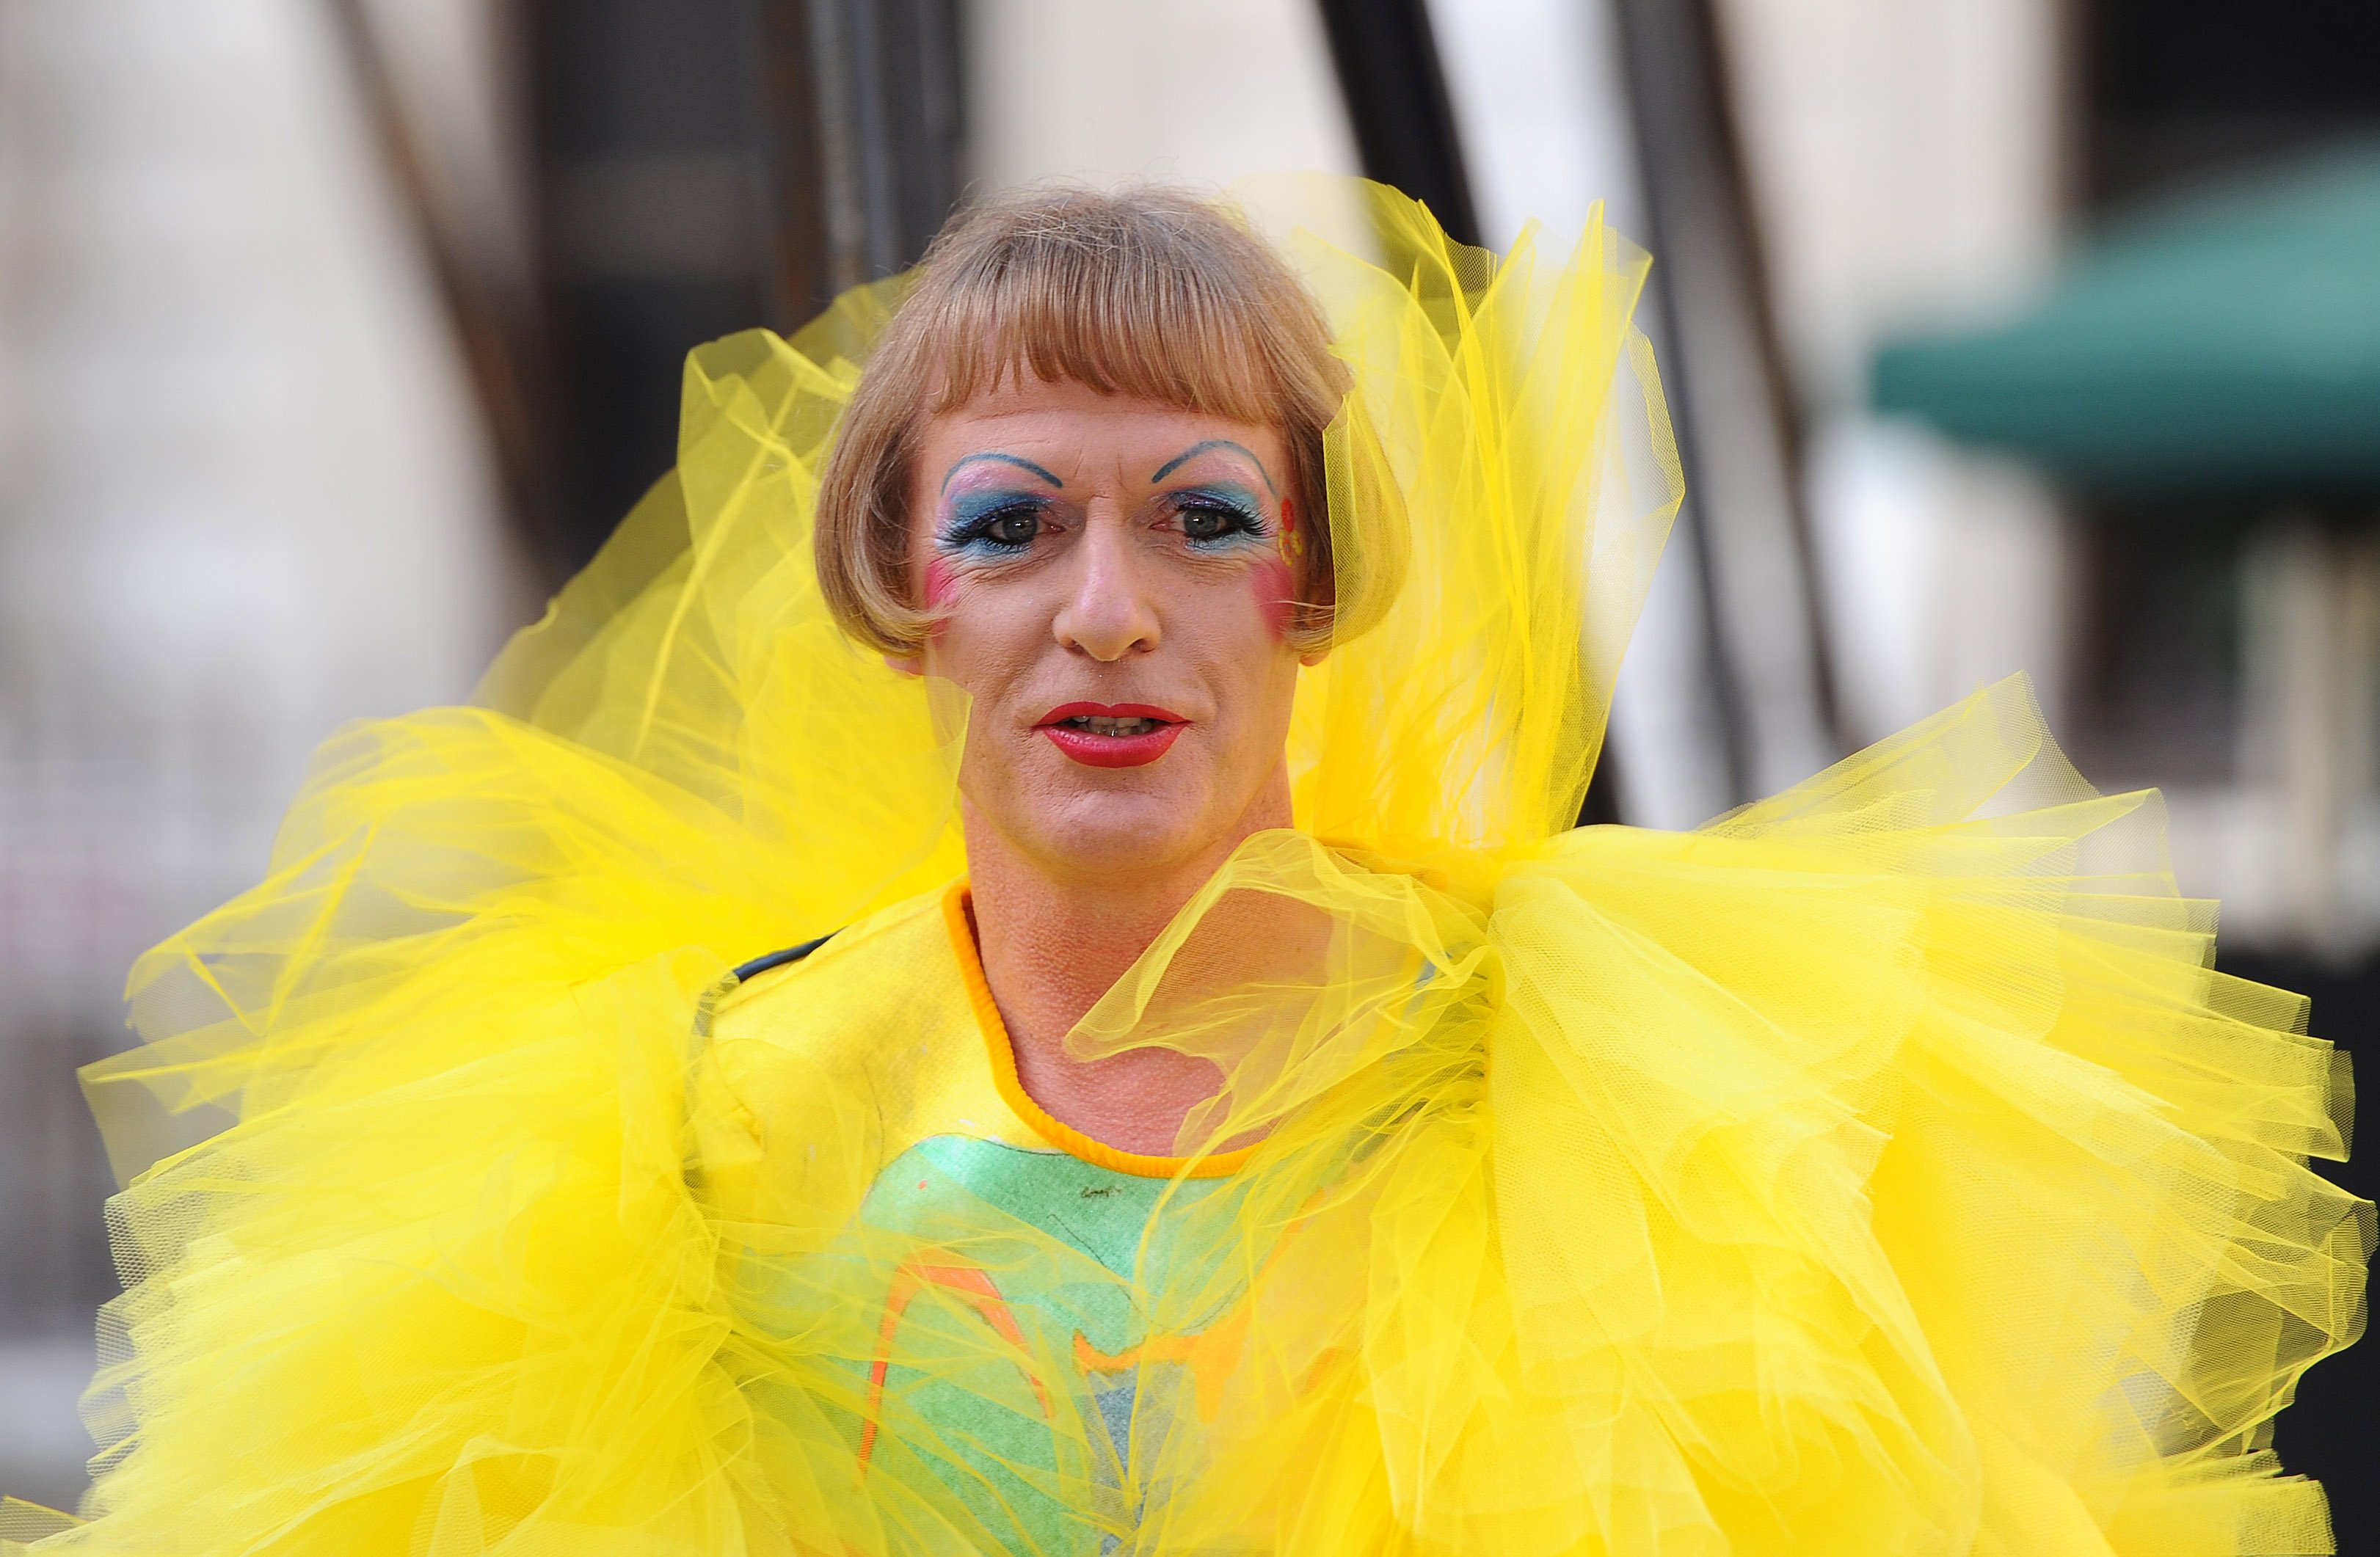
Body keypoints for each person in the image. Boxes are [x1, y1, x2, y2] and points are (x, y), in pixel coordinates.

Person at [8, 180, 2367, 1557]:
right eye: (1013, 526)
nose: (1107, 613)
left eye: (1202, 517)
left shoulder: (1606, 1079)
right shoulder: (696, 1107)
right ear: (900, 593)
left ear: (1308, 592)